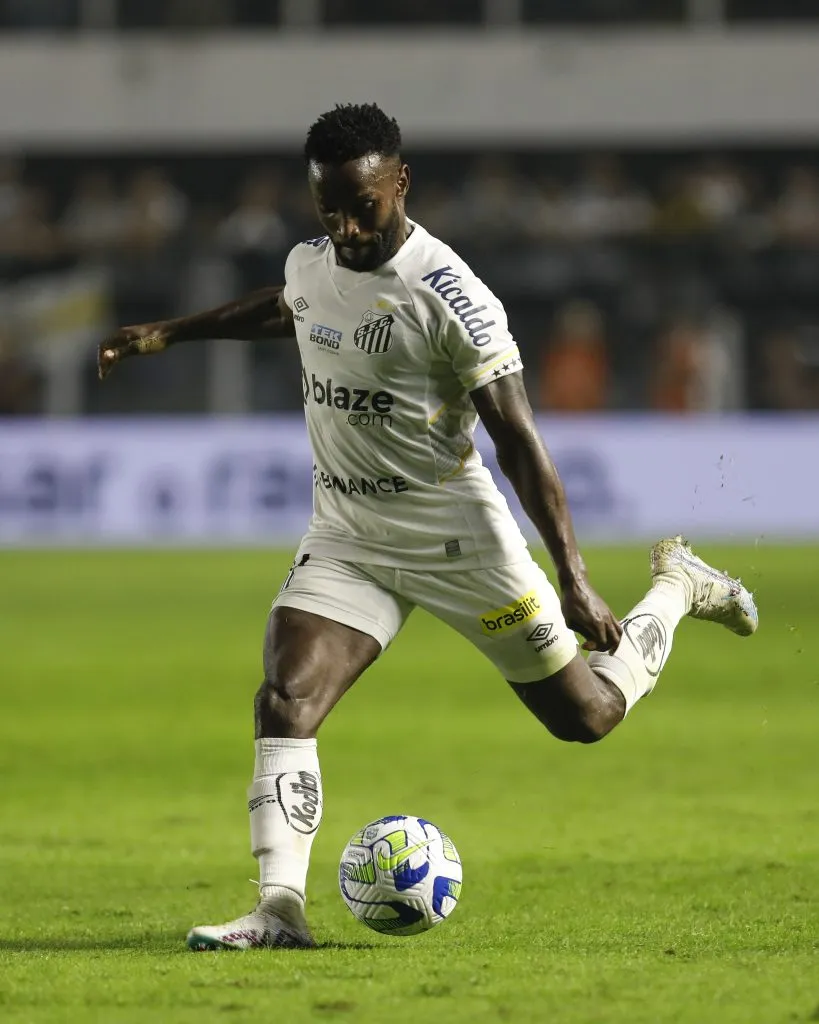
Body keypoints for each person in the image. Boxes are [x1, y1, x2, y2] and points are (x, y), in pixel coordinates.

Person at [97, 104, 758, 951]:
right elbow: (293, 305)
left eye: (361, 208)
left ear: (399, 184)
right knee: (284, 699)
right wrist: (169, 334)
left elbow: (517, 440)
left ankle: (677, 585)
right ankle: (278, 908)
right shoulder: (317, 260)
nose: (345, 227)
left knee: (585, 717)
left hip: (457, 539)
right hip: (348, 532)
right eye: (327, 209)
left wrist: (575, 575)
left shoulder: (450, 294)